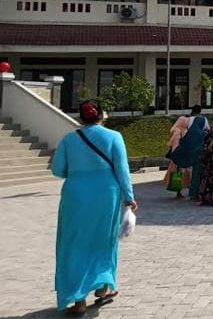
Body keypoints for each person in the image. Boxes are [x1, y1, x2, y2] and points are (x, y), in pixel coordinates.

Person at [52, 101, 137, 314]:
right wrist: (129, 196)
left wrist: (79, 173)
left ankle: (78, 300)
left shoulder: (69, 139)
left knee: (73, 242)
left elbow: (57, 169)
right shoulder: (114, 137)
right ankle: (103, 287)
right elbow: (122, 169)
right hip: (106, 194)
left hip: (75, 194)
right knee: (104, 240)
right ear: (101, 115)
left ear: (81, 118)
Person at [163, 115, 191, 198]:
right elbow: (175, 145)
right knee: (179, 173)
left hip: (179, 156)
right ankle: (178, 191)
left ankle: (179, 190)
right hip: (178, 156)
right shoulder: (178, 131)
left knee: (180, 173)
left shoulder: (179, 130)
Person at [186, 105, 211, 200]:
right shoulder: (204, 119)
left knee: (194, 171)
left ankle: (193, 192)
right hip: (201, 147)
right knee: (200, 171)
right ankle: (200, 191)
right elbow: (207, 131)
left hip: (191, 147)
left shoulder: (189, 120)